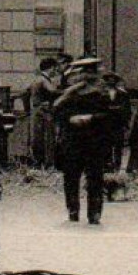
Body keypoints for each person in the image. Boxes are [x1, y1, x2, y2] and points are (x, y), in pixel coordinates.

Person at [52, 57, 126, 225]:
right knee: (71, 178)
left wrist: (90, 118)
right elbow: (57, 112)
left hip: (95, 141)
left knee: (95, 178)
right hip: (72, 140)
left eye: (88, 72)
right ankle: (73, 211)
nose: (84, 76)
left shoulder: (104, 93)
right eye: (81, 72)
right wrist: (70, 119)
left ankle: (94, 213)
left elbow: (113, 117)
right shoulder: (69, 93)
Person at [16, 57, 63, 168]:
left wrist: (27, 109)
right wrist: (67, 91)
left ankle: (38, 163)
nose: (54, 72)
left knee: (37, 138)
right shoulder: (44, 80)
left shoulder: (35, 79)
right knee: (48, 138)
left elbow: (24, 94)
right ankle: (48, 164)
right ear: (50, 68)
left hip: (36, 111)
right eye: (54, 69)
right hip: (45, 111)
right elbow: (53, 91)